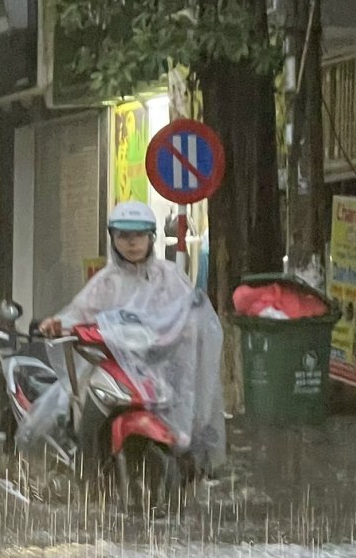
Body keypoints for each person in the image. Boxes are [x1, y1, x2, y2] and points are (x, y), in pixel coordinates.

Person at [39, 200, 226, 471]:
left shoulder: (170, 276)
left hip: (162, 368)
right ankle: (86, 469)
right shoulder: (105, 282)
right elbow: (79, 314)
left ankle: (196, 463)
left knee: (194, 416)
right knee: (87, 409)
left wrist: (191, 327)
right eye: (123, 235)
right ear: (113, 238)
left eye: (139, 234)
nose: (132, 242)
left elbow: (189, 311)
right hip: (113, 368)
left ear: (151, 237)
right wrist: (58, 325)